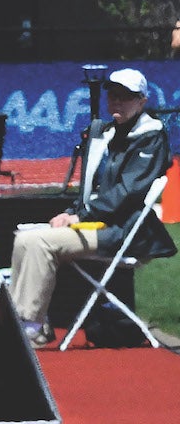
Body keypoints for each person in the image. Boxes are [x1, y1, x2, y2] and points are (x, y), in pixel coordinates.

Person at [11, 68, 173, 345]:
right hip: (99, 223)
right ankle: (22, 320)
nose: (117, 102)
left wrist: (81, 215)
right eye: (113, 96)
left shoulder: (151, 135)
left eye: (126, 97)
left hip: (125, 231)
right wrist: (73, 211)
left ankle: (32, 325)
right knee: (24, 239)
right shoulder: (108, 134)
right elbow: (93, 189)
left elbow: (127, 194)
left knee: (39, 243)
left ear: (143, 100)